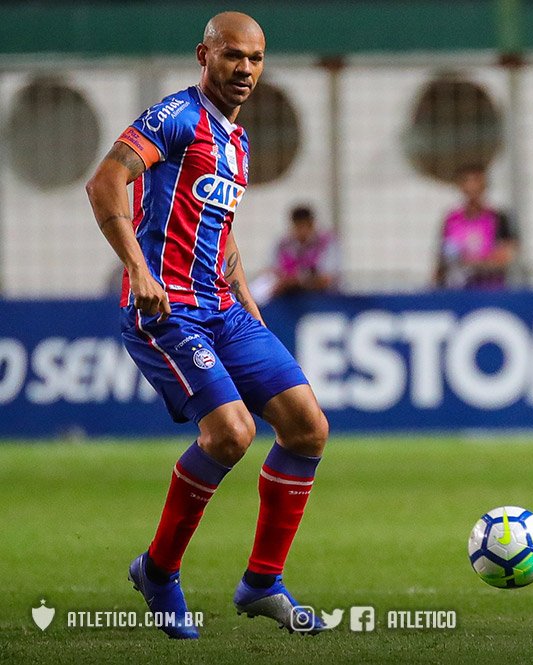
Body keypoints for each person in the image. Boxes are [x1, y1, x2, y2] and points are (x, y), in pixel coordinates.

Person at [85, 12, 330, 638]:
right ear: (204, 55)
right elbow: (105, 181)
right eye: (232, 56)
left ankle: (262, 584)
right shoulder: (175, 117)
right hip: (166, 310)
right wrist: (138, 270)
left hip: (222, 309)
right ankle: (158, 572)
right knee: (230, 433)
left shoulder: (237, 142)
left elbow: (220, 230)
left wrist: (246, 296)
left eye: (255, 59)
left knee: (307, 428)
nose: (245, 69)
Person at [433, 164, 518, 288]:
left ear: (484, 186)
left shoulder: (498, 217)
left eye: (476, 181)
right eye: (466, 181)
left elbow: (506, 257)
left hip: (491, 291)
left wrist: (469, 263)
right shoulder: (451, 219)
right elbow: (441, 260)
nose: (471, 187)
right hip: (458, 290)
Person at [253, 205, 341, 305]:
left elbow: (327, 279)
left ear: (312, 225)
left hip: (322, 299)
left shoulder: (326, 243)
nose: (301, 232)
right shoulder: (283, 244)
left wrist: (298, 281)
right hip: (287, 299)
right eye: (298, 227)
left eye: (304, 226)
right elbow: (270, 271)